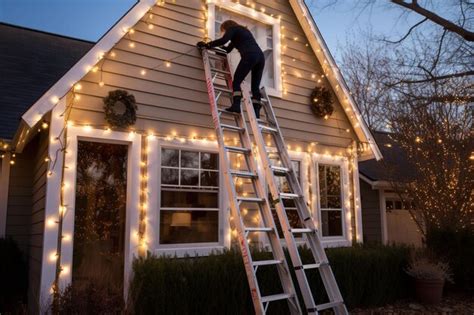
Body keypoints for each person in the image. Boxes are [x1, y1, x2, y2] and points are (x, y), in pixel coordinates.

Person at [197, 20, 265, 118]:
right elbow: (228, 49)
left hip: (250, 55)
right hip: (260, 58)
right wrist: (219, 50)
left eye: (223, 31)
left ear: (226, 27)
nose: (224, 33)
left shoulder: (233, 29)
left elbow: (224, 40)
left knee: (237, 80)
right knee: (255, 86)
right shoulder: (243, 31)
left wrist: (207, 45)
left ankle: (236, 105)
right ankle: (256, 111)